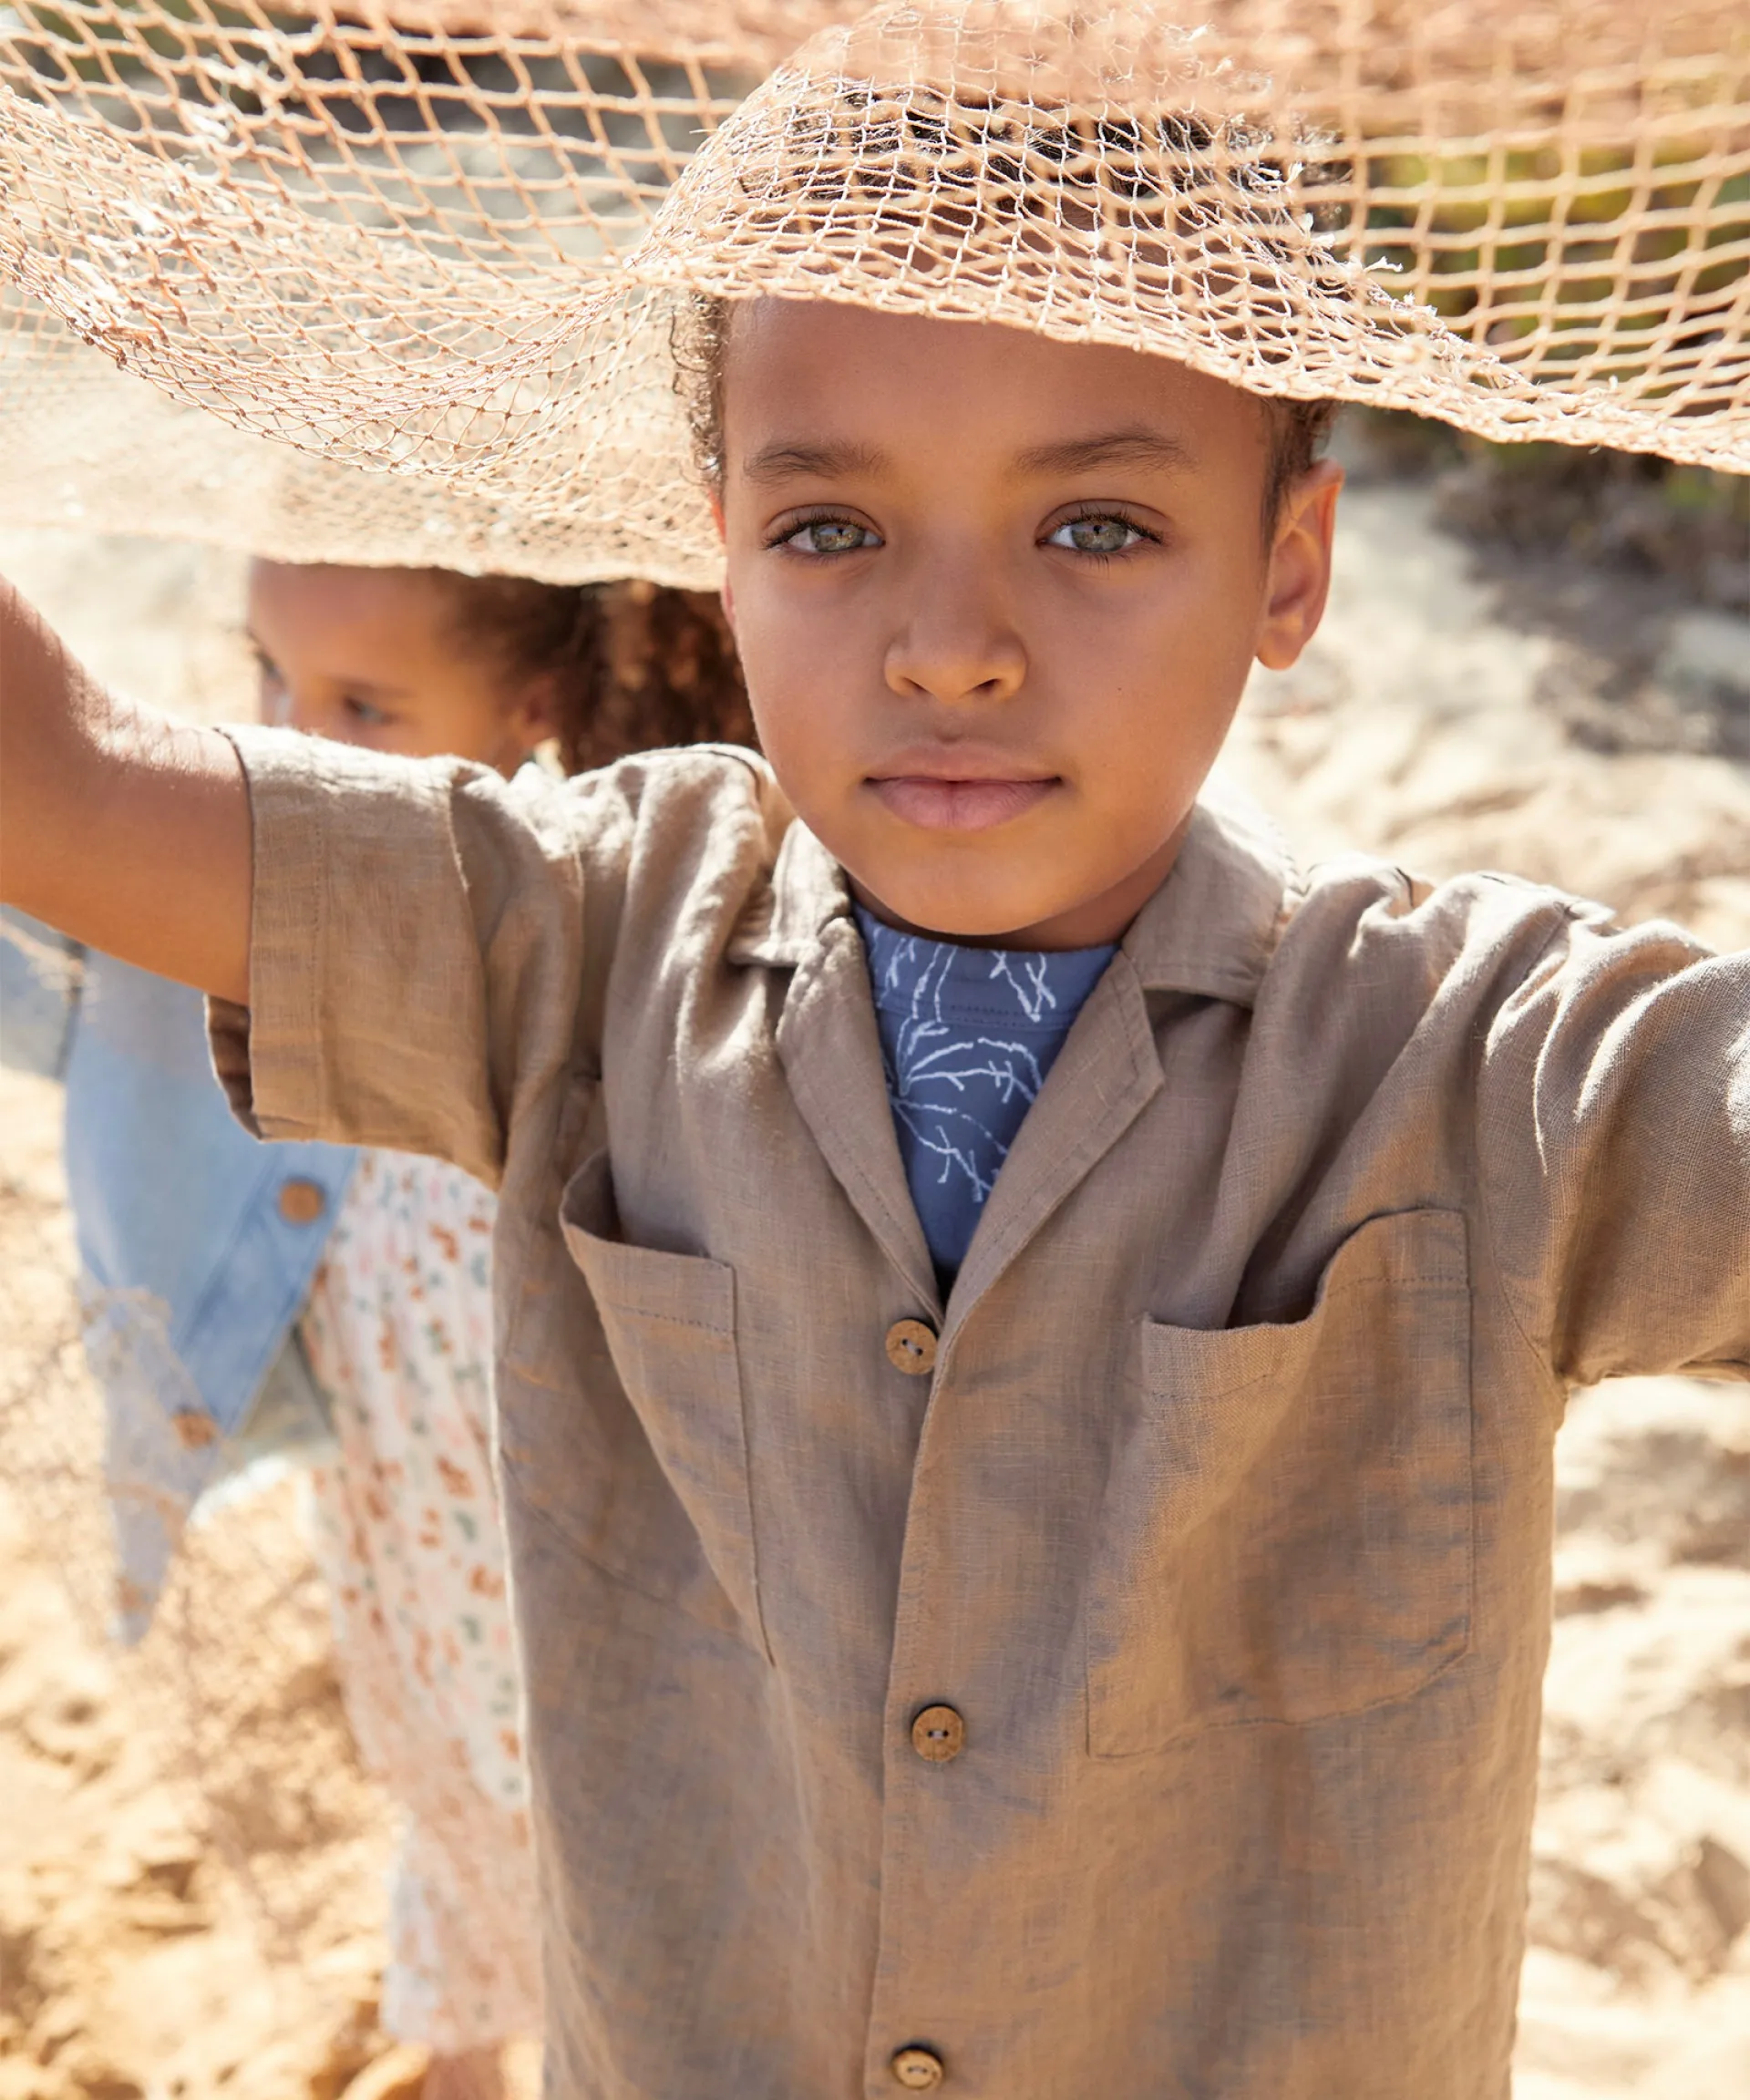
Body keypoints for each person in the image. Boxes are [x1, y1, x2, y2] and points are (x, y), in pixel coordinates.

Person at [3, 35, 1748, 2100]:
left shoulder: (1480, 1064)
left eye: (1094, 526)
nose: (949, 646)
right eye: (833, 532)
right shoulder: (583, 941)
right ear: (715, 537)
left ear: (1291, 570)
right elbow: (65, 786)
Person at [1, 558, 751, 2100]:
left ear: (531, 704)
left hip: (570, 1565)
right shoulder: (259, 907)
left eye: (363, 704)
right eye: (267, 674)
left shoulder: (601, 961)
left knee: (578, 1843)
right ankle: (461, 2050)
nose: (294, 734)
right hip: (405, 1529)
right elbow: (47, 946)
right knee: (436, 1782)